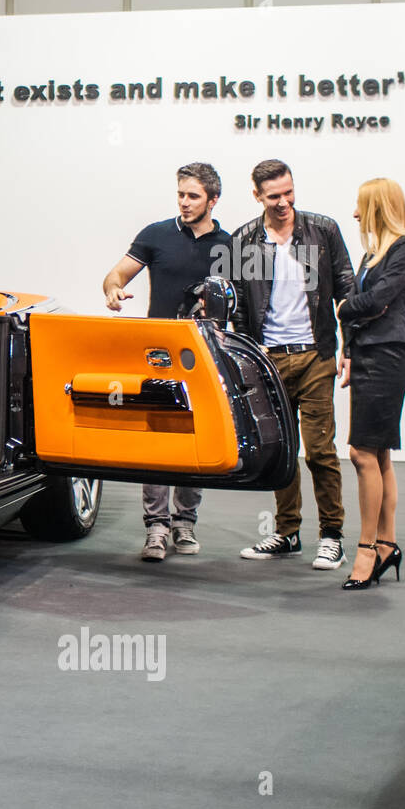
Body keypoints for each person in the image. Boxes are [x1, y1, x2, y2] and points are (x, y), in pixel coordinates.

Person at [102, 162, 232, 562]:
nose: (185, 202)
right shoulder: (156, 234)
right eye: (181, 194)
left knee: (195, 436)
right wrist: (113, 291)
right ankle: (155, 527)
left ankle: (184, 523)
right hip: (158, 353)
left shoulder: (229, 244)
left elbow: (240, 299)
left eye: (193, 196)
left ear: (212, 199)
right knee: (158, 437)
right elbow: (116, 275)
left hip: (205, 354)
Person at [230, 160, 355, 570]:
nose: (283, 202)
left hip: (316, 354)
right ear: (257, 196)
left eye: (288, 192)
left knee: (320, 450)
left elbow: (347, 293)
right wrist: (250, 357)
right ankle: (287, 533)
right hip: (269, 359)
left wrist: (349, 348)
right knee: (280, 452)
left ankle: (332, 536)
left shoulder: (323, 230)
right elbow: (242, 310)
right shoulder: (245, 240)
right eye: (273, 196)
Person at [335, 178, 405, 589]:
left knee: (361, 452)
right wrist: (349, 351)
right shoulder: (373, 254)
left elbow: (371, 303)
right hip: (368, 356)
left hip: (388, 357)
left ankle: (367, 548)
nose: (355, 213)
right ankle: (387, 544)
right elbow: (359, 310)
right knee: (380, 454)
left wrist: (345, 307)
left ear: (376, 207)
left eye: (360, 205)